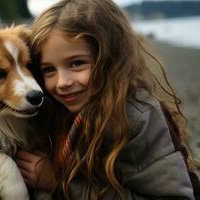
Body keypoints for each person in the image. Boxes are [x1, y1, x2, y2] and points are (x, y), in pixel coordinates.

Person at [15, 0, 200, 199]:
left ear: (109, 59)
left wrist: (58, 183)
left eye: (76, 63)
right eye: (49, 69)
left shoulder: (137, 118)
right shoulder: (56, 111)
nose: (62, 82)